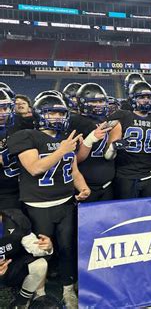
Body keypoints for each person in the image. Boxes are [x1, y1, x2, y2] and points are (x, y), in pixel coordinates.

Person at [8, 94, 90, 308]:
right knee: (40, 250)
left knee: (66, 248)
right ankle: (40, 291)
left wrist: (82, 187)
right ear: (39, 114)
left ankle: (67, 289)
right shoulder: (26, 136)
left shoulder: (64, 138)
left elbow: (73, 170)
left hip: (65, 203)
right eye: (51, 112)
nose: (56, 117)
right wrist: (62, 150)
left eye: (60, 113)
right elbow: (35, 168)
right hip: (38, 206)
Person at [106, 81, 151, 199]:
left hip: (149, 174)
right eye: (141, 97)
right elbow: (108, 155)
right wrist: (113, 147)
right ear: (133, 99)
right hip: (126, 175)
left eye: (149, 97)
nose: (146, 100)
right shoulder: (123, 116)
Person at [0, 209, 53, 308]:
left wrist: (47, 247)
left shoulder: (15, 220)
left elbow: (33, 247)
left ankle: (21, 302)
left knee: (40, 265)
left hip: (10, 267)